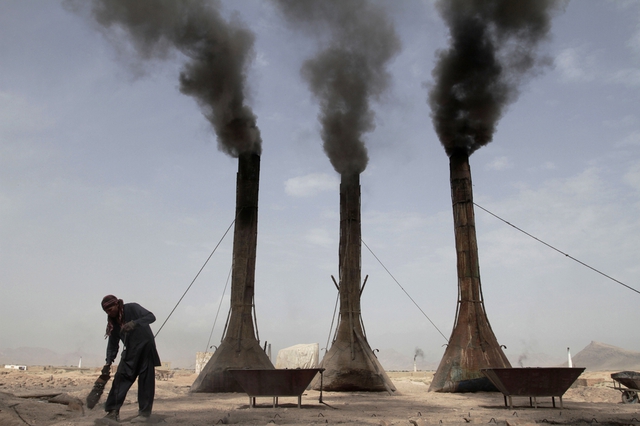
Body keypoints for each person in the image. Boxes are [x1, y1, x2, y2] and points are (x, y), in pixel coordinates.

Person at [101, 295, 161, 423]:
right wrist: (108, 361)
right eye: (106, 311)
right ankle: (113, 413)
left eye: (110, 309)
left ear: (117, 304)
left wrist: (134, 323)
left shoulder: (132, 308)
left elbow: (151, 317)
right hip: (131, 351)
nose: (109, 312)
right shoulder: (113, 323)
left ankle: (144, 414)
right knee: (120, 379)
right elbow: (113, 343)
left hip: (145, 348)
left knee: (146, 382)